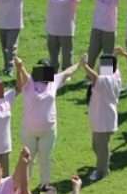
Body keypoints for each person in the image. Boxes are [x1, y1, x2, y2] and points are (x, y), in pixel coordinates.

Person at [14, 56, 80, 185]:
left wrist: (80, 64)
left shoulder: (53, 81)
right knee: (28, 160)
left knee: (45, 160)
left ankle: (45, 187)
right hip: (29, 131)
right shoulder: (29, 82)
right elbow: (21, 75)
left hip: (48, 131)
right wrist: (19, 67)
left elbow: (67, 73)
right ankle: (24, 190)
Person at [81, 52, 121, 181]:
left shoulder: (105, 80)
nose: (98, 66)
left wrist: (84, 65)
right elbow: (115, 66)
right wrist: (114, 56)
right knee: (97, 146)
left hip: (103, 120)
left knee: (102, 147)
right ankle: (104, 163)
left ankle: (101, 171)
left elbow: (94, 77)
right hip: (103, 119)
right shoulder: (116, 76)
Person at [42, 0, 83, 72]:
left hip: (66, 30)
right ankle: (53, 71)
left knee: (67, 55)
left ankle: (66, 72)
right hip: (52, 29)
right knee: (53, 55)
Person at [82, 0, 122, 71]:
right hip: (96, 28)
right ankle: (88, 77)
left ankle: (106, 76)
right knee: (92, 53)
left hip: (109, 31)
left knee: (107, 56)